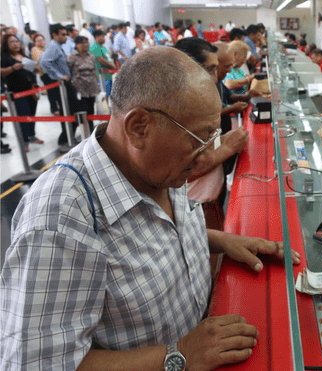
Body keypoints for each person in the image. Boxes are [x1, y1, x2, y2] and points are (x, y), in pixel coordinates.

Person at [0, 46, 301, 370]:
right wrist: (179, 354)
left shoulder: (157, 166)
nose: (204, 155)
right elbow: (35, 363)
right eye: (198, 138)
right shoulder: (59, 219)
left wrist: (219, 239)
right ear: (139, 127)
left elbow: (148, 232)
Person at [174, 38, 249, 232]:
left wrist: (225, 139)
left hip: (209, 204)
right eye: (211, 69)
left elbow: (207, 146)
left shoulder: (199, 101)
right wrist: (229, 147)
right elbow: (186, 170)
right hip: (195, 209)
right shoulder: (179, 110)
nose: (216, 78)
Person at [1, 34, 42, 150]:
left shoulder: (24, 55)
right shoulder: (4, 58)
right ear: (6, 45)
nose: (15, 44)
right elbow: (1, 72)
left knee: (32, 114)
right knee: (23, 115)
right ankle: (25, 141)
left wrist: (35, 69)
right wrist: (13, 68)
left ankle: (32, 135)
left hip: (31, 89)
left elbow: (30, 70)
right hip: (18, 92)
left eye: (17, 41)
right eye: (12, 42)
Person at [67, 36, 100, 132]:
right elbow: (70, 72)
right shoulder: (72, 57)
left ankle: (90, 129)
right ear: (77, 45)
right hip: (79, 89)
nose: (85, 45)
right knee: (82, 110)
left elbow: (94, 71)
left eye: (86, 42)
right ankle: (85, 131)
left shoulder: (91, 56)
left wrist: (97, 85)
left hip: (91, 88)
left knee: (91, 110)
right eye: (82, 43)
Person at [90, 30, 117, 99]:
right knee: (104, 96)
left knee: (109, 95)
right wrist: (112, 66)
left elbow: (108, 58)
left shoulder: (103, 47)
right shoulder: (95, 47)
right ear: (97, 37)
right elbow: (100, 59)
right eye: (102, 37)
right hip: (102, 77)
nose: (104, 39)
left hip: (108, 75)